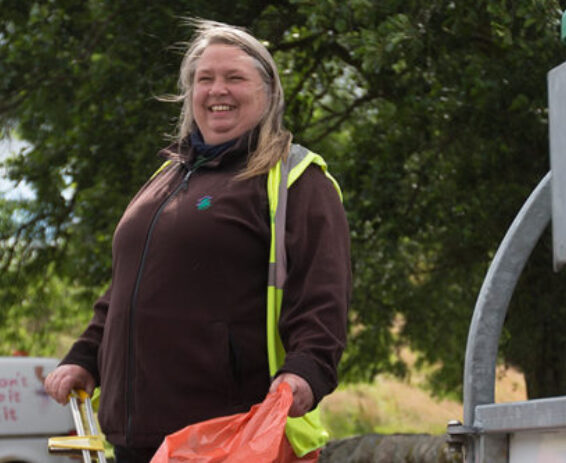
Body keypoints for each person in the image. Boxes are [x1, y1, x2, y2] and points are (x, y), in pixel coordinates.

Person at [42, 19, 350, 461]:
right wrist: (85, 357)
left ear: (268, 93)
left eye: (234, 78)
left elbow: (323, 294)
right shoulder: (164, 179)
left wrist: (307, 372)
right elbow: (124, 290)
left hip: (228, 437)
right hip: (133, 438)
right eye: (204, 79)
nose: (217, 90)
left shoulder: (296, 179)